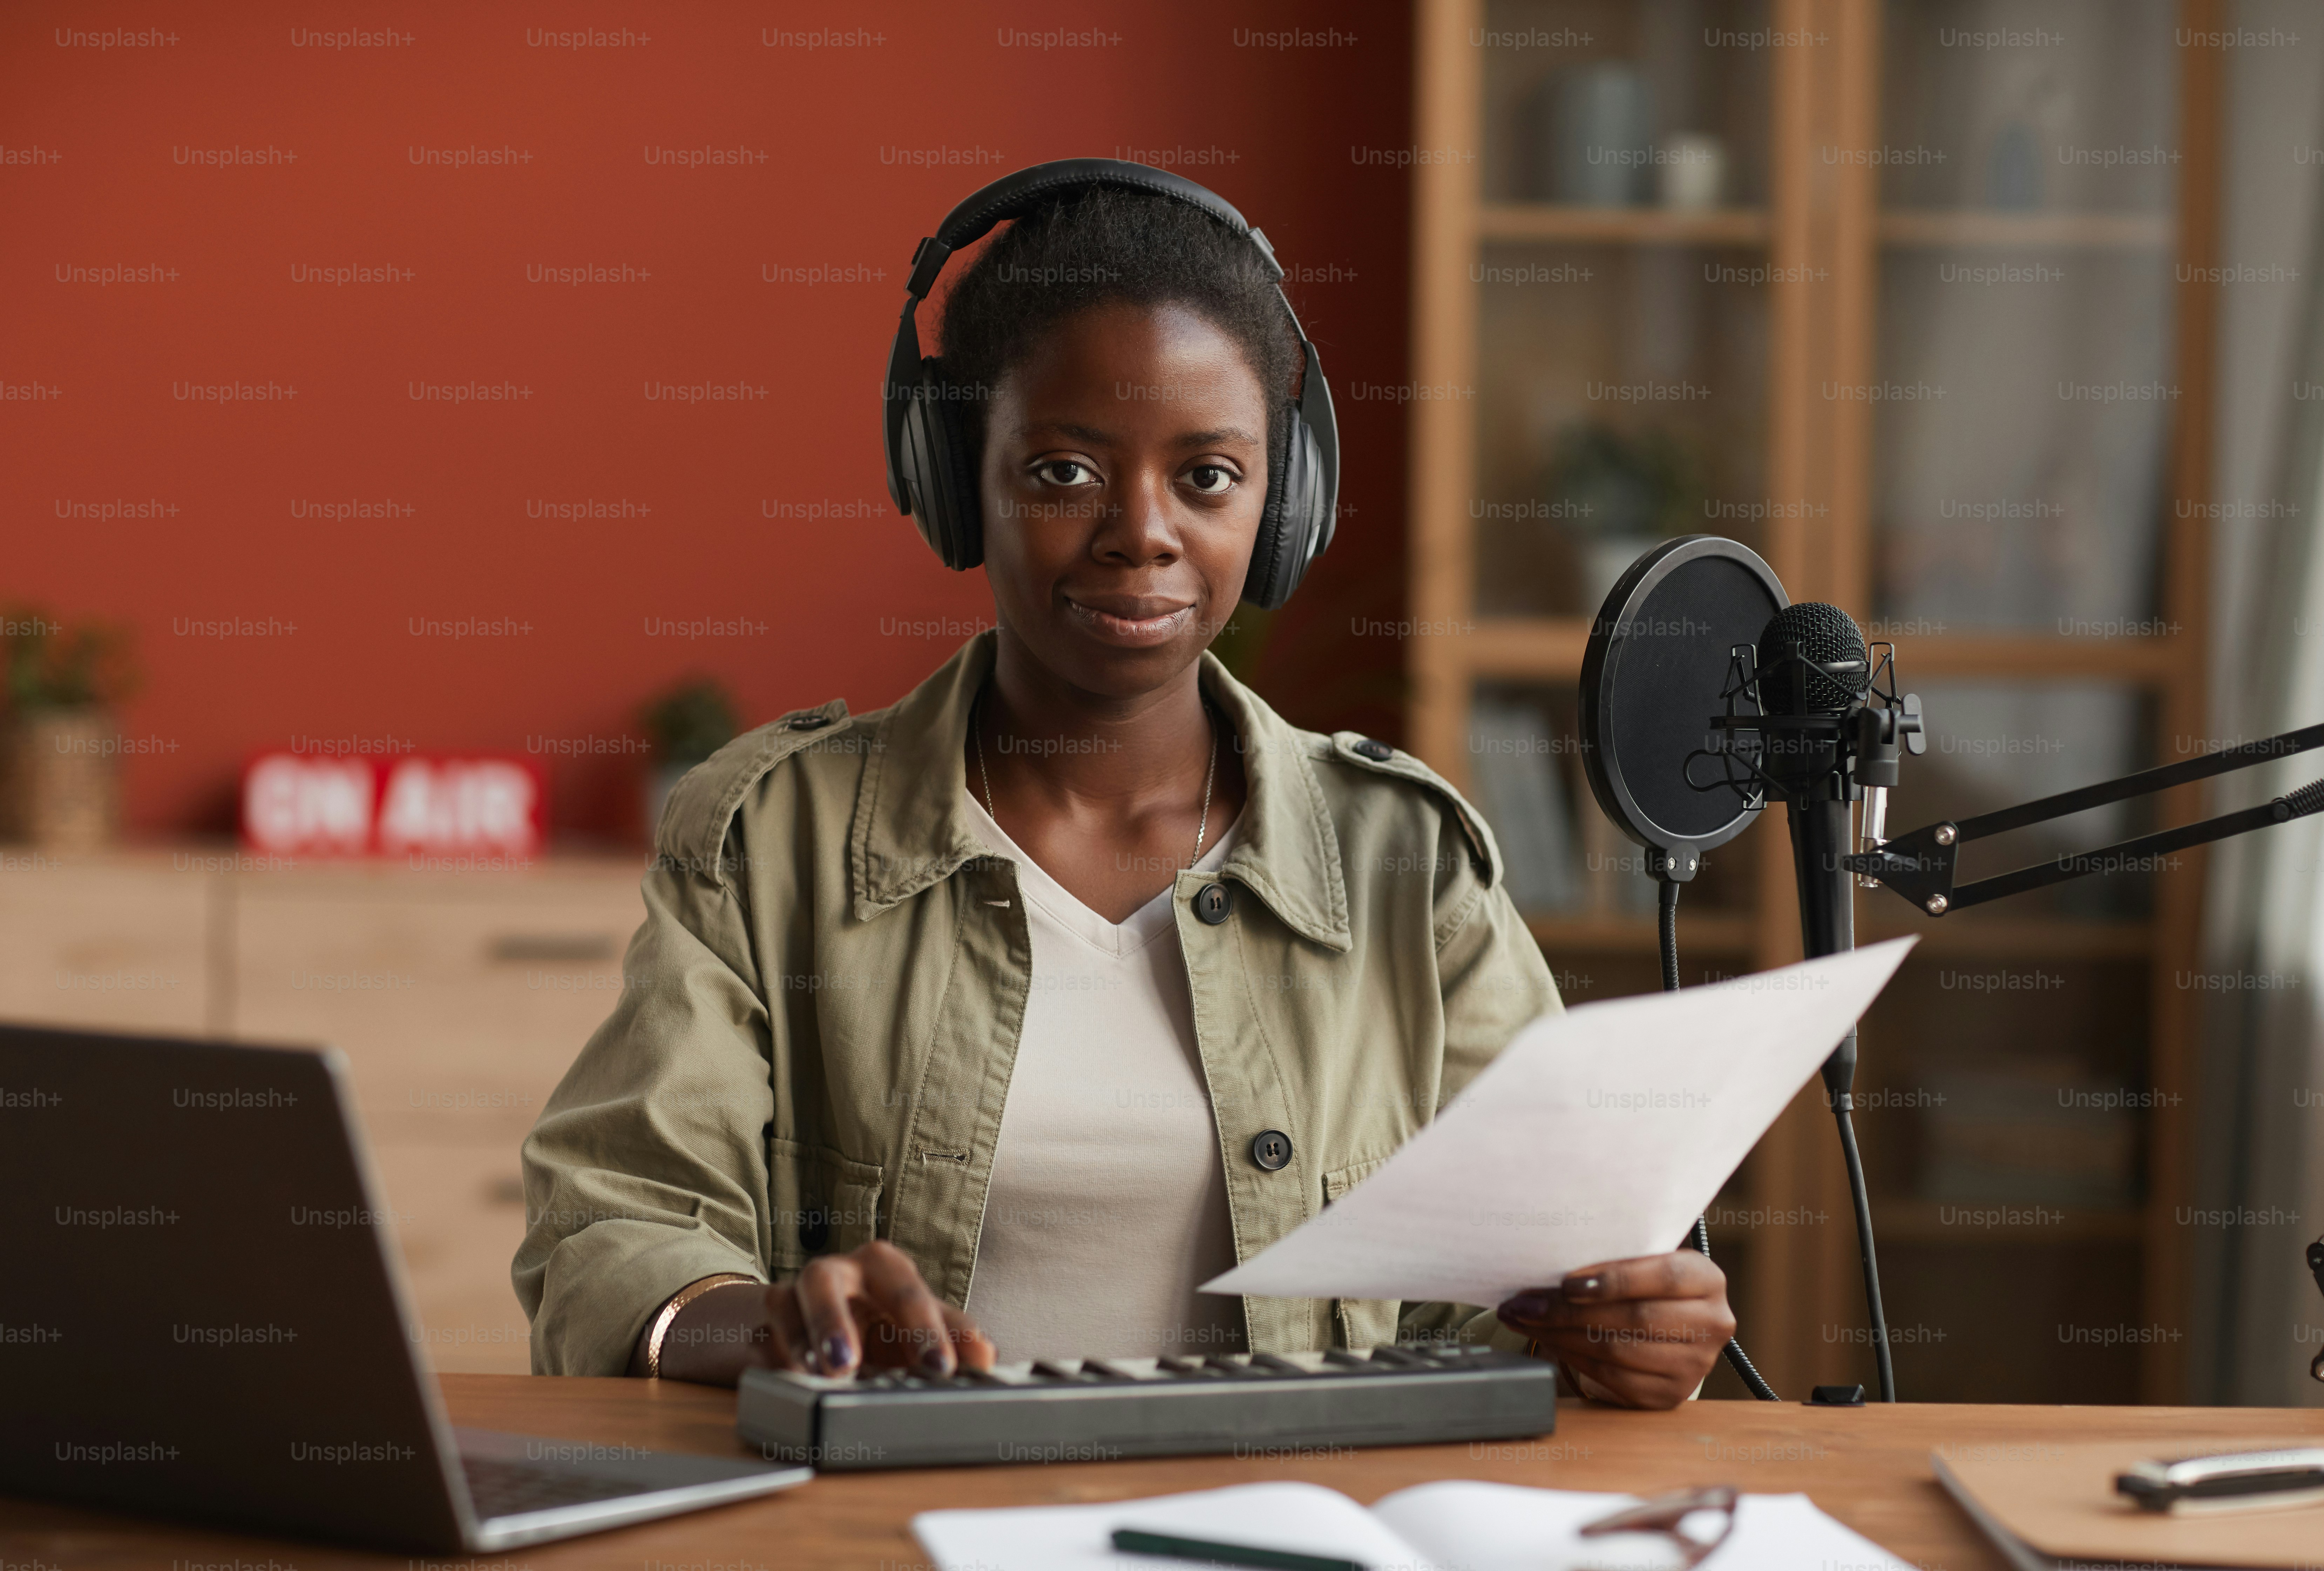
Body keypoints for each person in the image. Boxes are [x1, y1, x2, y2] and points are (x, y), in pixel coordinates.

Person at [513, 165, 1734, 1410]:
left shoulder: (1404, 863)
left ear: (1283, 501)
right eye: (1062, 472)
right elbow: (609, 1239)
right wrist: (761, 1329)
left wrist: (1620, 1330)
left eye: (1207, 476)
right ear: (950, 478)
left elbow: (1522, 1294)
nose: (1139, 532)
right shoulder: (771, 839)